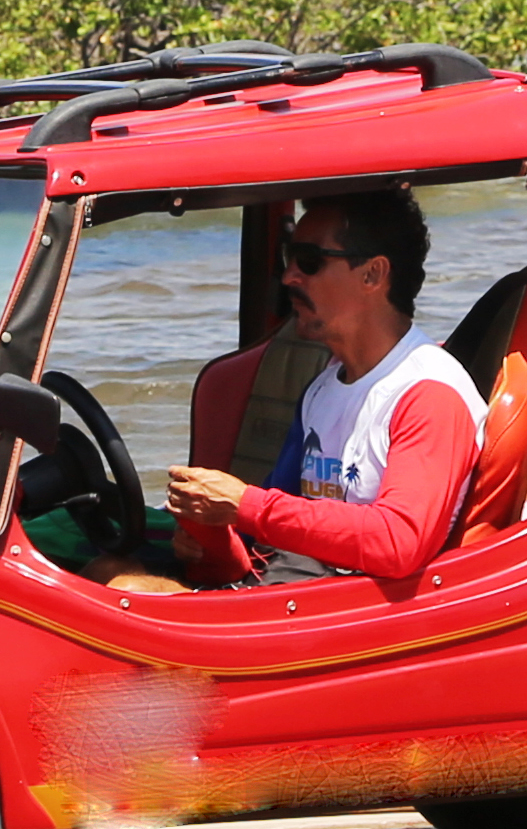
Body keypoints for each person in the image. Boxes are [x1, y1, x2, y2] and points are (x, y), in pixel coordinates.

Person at [162, 185, 487, 582]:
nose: (288, 276)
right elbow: (265, 545)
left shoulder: (428, 395)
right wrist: (210, 537)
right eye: (289, 257)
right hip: (302, 599)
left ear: (373, 274)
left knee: (127, 585)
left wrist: (245, 504)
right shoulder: (320, 392)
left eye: (309, 261)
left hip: (366, 623)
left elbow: (398, 542)